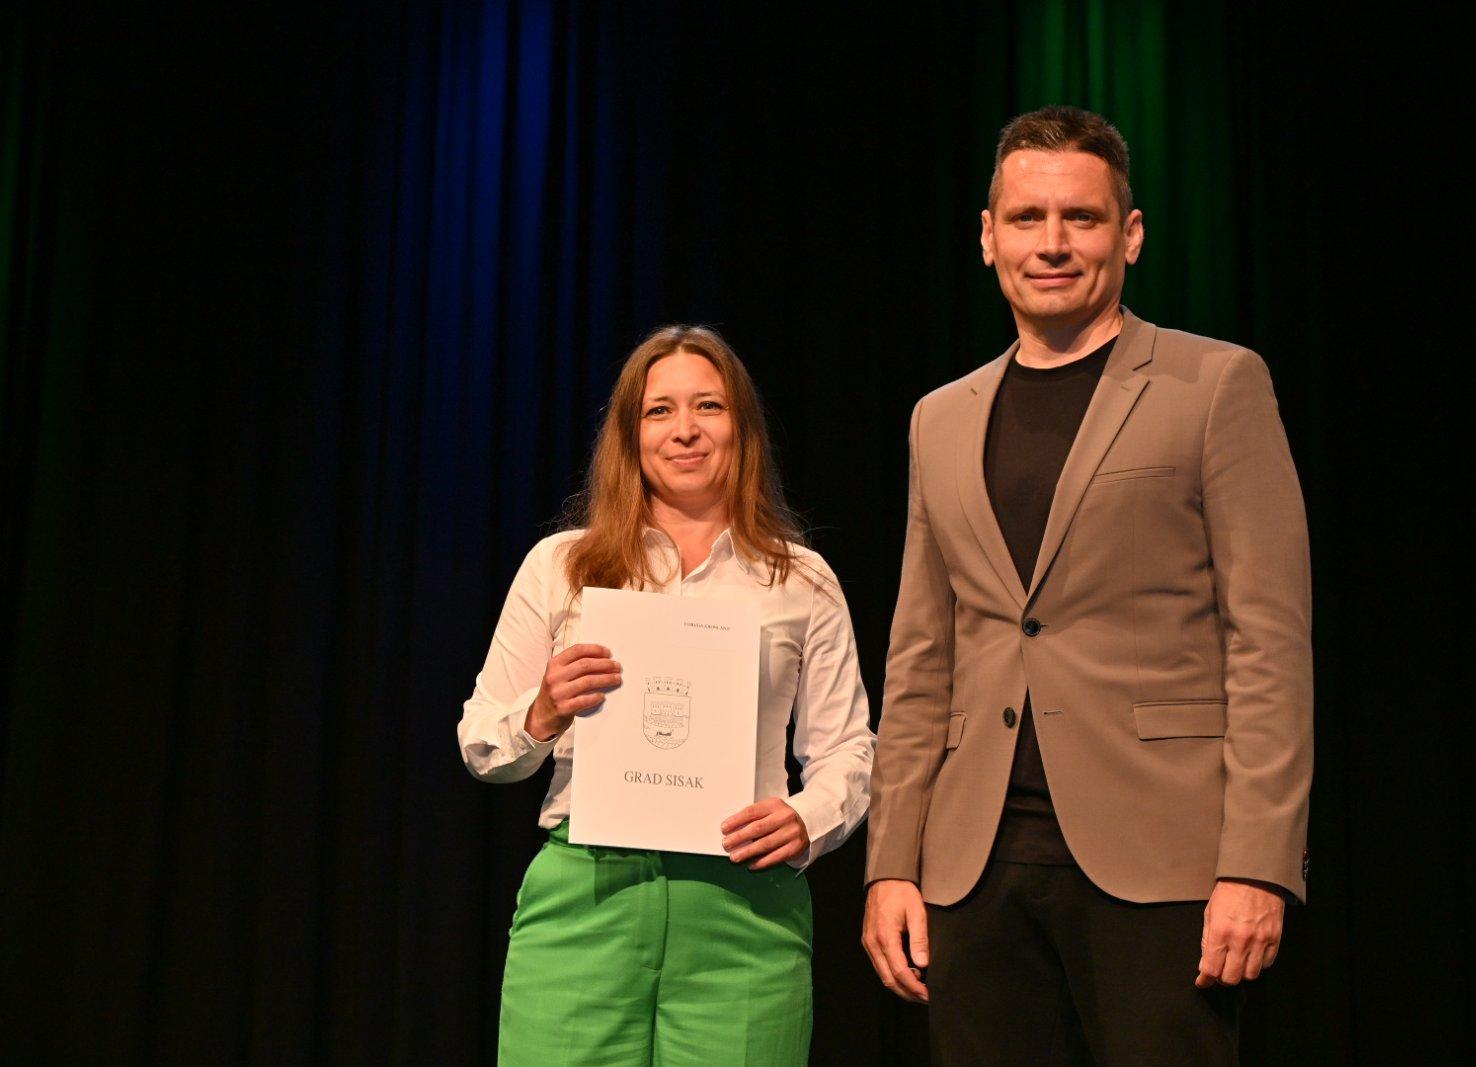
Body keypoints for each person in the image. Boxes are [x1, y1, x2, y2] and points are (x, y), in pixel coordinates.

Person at [861, 105, 1312, 1065]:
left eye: (1082, 217)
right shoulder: (940, 417)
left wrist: (1259, 863)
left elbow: (1269, 642)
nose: (1053, 243)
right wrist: (891, 861)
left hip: (1162, 860)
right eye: (1027, 218)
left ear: (1130, 235)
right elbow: (920, 655)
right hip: (972, 864)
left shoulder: (1216, 384)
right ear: (988, 237)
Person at [459, 325, 875, 1067]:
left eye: (709, 405)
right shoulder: (561, 565)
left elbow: (847, 747)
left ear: (742, 428)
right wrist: (543, 710)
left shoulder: (801, 579)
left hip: (743, 908)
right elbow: (481, 743)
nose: (685, 429)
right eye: (659, 411)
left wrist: (807, 817)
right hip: (586, 898)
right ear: (630, 434)